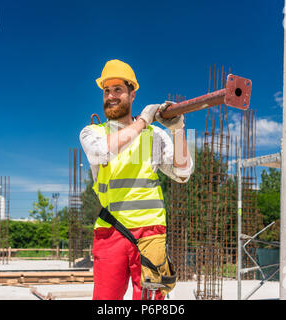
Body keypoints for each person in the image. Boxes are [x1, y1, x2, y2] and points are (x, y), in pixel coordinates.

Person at [80, 59, 193, 300]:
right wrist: (143, 121)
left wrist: (178, 129)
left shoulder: (155, 136)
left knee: (151, 302)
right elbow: (100, 152)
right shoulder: (93, 133)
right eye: (106, 91)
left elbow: (183, 173)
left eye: (117, 90)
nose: (110, 96)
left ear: (132, 94)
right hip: (111, 230)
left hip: (150, 231)